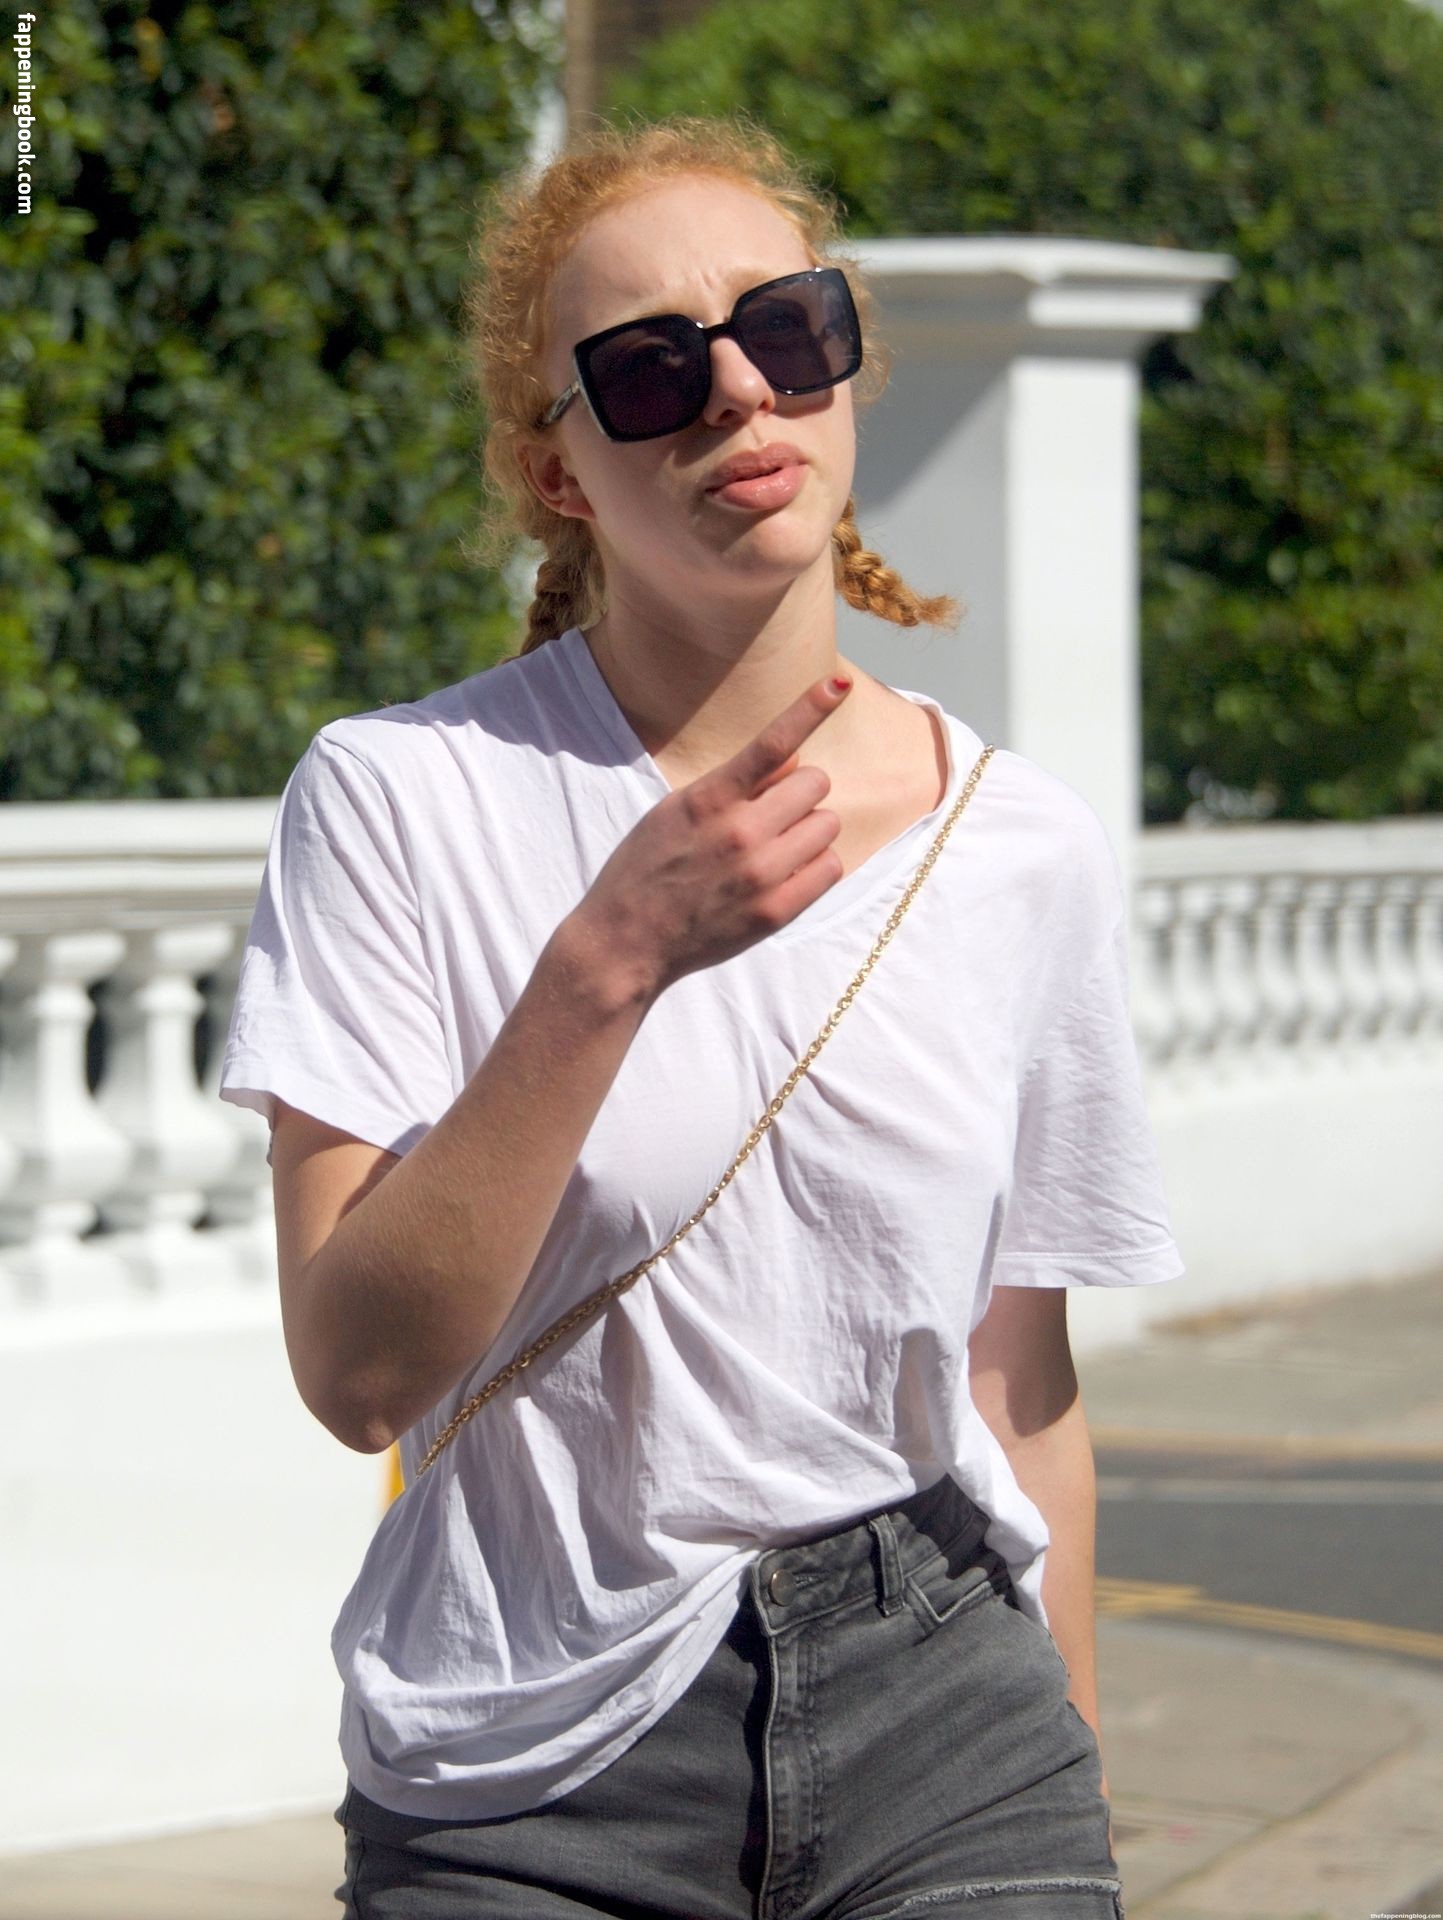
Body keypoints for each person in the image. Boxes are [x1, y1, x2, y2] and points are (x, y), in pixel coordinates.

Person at [218, 112, 1185, 1919]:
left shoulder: (1020, 846)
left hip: (951, 1721)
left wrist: (1077, 1770)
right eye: (651, 371)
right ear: (561, 469)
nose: (740, 389)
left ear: (846, 371)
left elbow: (1020, 1389)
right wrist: (607, 964)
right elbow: (356, 1377)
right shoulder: (402, 798)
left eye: (788, 329)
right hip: (531, 1766)